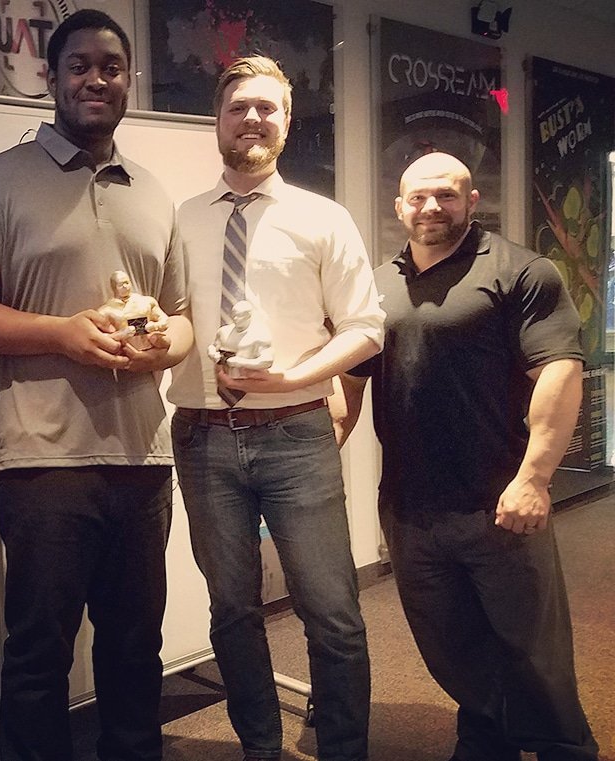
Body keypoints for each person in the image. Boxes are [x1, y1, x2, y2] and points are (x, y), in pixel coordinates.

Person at [0, 10, 192, 760]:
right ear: (51, 78)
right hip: (43, 462)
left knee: (135, 650)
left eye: (110, 68)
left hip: (142, 461)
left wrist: (160, 346)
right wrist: (62, 333)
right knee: (37, 658)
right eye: (79, 66)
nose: (96, 79)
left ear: (128, 80)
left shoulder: (153, 192)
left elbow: (182, 319)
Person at [339, 152, 599, 761]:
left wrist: (534, 478)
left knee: (532, 648)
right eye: (419, 197)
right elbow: (347, 386)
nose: (432, 207)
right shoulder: (376, 285)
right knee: (449, 644)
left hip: (497, 503)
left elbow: (560, 372)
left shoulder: (521, 272)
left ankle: (566, 747)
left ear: (471, 201)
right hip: (409, 508)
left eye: (447, 195)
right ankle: (485, 738)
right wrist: (318, 462)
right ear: (400, 207)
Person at [165, 56, 383, 761]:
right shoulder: (178, 222)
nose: (253, 118)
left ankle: (344, 750)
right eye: (239, 107)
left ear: (287, 122)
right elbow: (164, 319)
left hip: (295, 432)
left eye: (268, 107)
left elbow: (365, 328)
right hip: (202, 438)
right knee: (232, 610)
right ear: (217, 122)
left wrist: (293, 376)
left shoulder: (323, 218)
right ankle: (260, 747)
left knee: (332, 611)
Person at [98, 269, 169, 350]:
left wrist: (155, 326)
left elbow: (165, 320)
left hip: (150, 346)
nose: (125, 286)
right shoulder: (106, 311)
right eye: (121, 285)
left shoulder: (146, 301)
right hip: (123, 351)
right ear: (114, 288)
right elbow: (98, 338)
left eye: (127, 283)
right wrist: (120, 335)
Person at [208, 301, 274, 377]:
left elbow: (267, 360)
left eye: (240, 316)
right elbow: (213, 346)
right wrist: (212, 353)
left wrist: (241, 362)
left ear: (248, 315)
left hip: (250, 379)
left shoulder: (260, 334)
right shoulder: (223, 331)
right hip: (223, 377)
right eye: (234, 315)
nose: (235, 318)